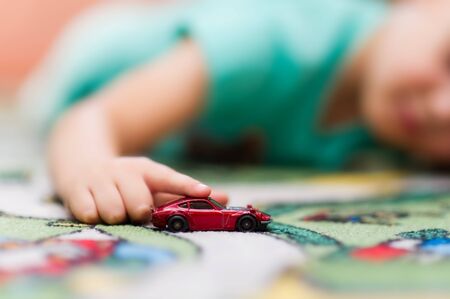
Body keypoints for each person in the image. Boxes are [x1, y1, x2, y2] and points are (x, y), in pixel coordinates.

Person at [19, 0, 450, 224]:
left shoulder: (396, 125)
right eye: (447, 59)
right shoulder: (278, 35)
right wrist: (90, 167)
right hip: (87, 70)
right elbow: (88, 117)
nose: (442, 110)